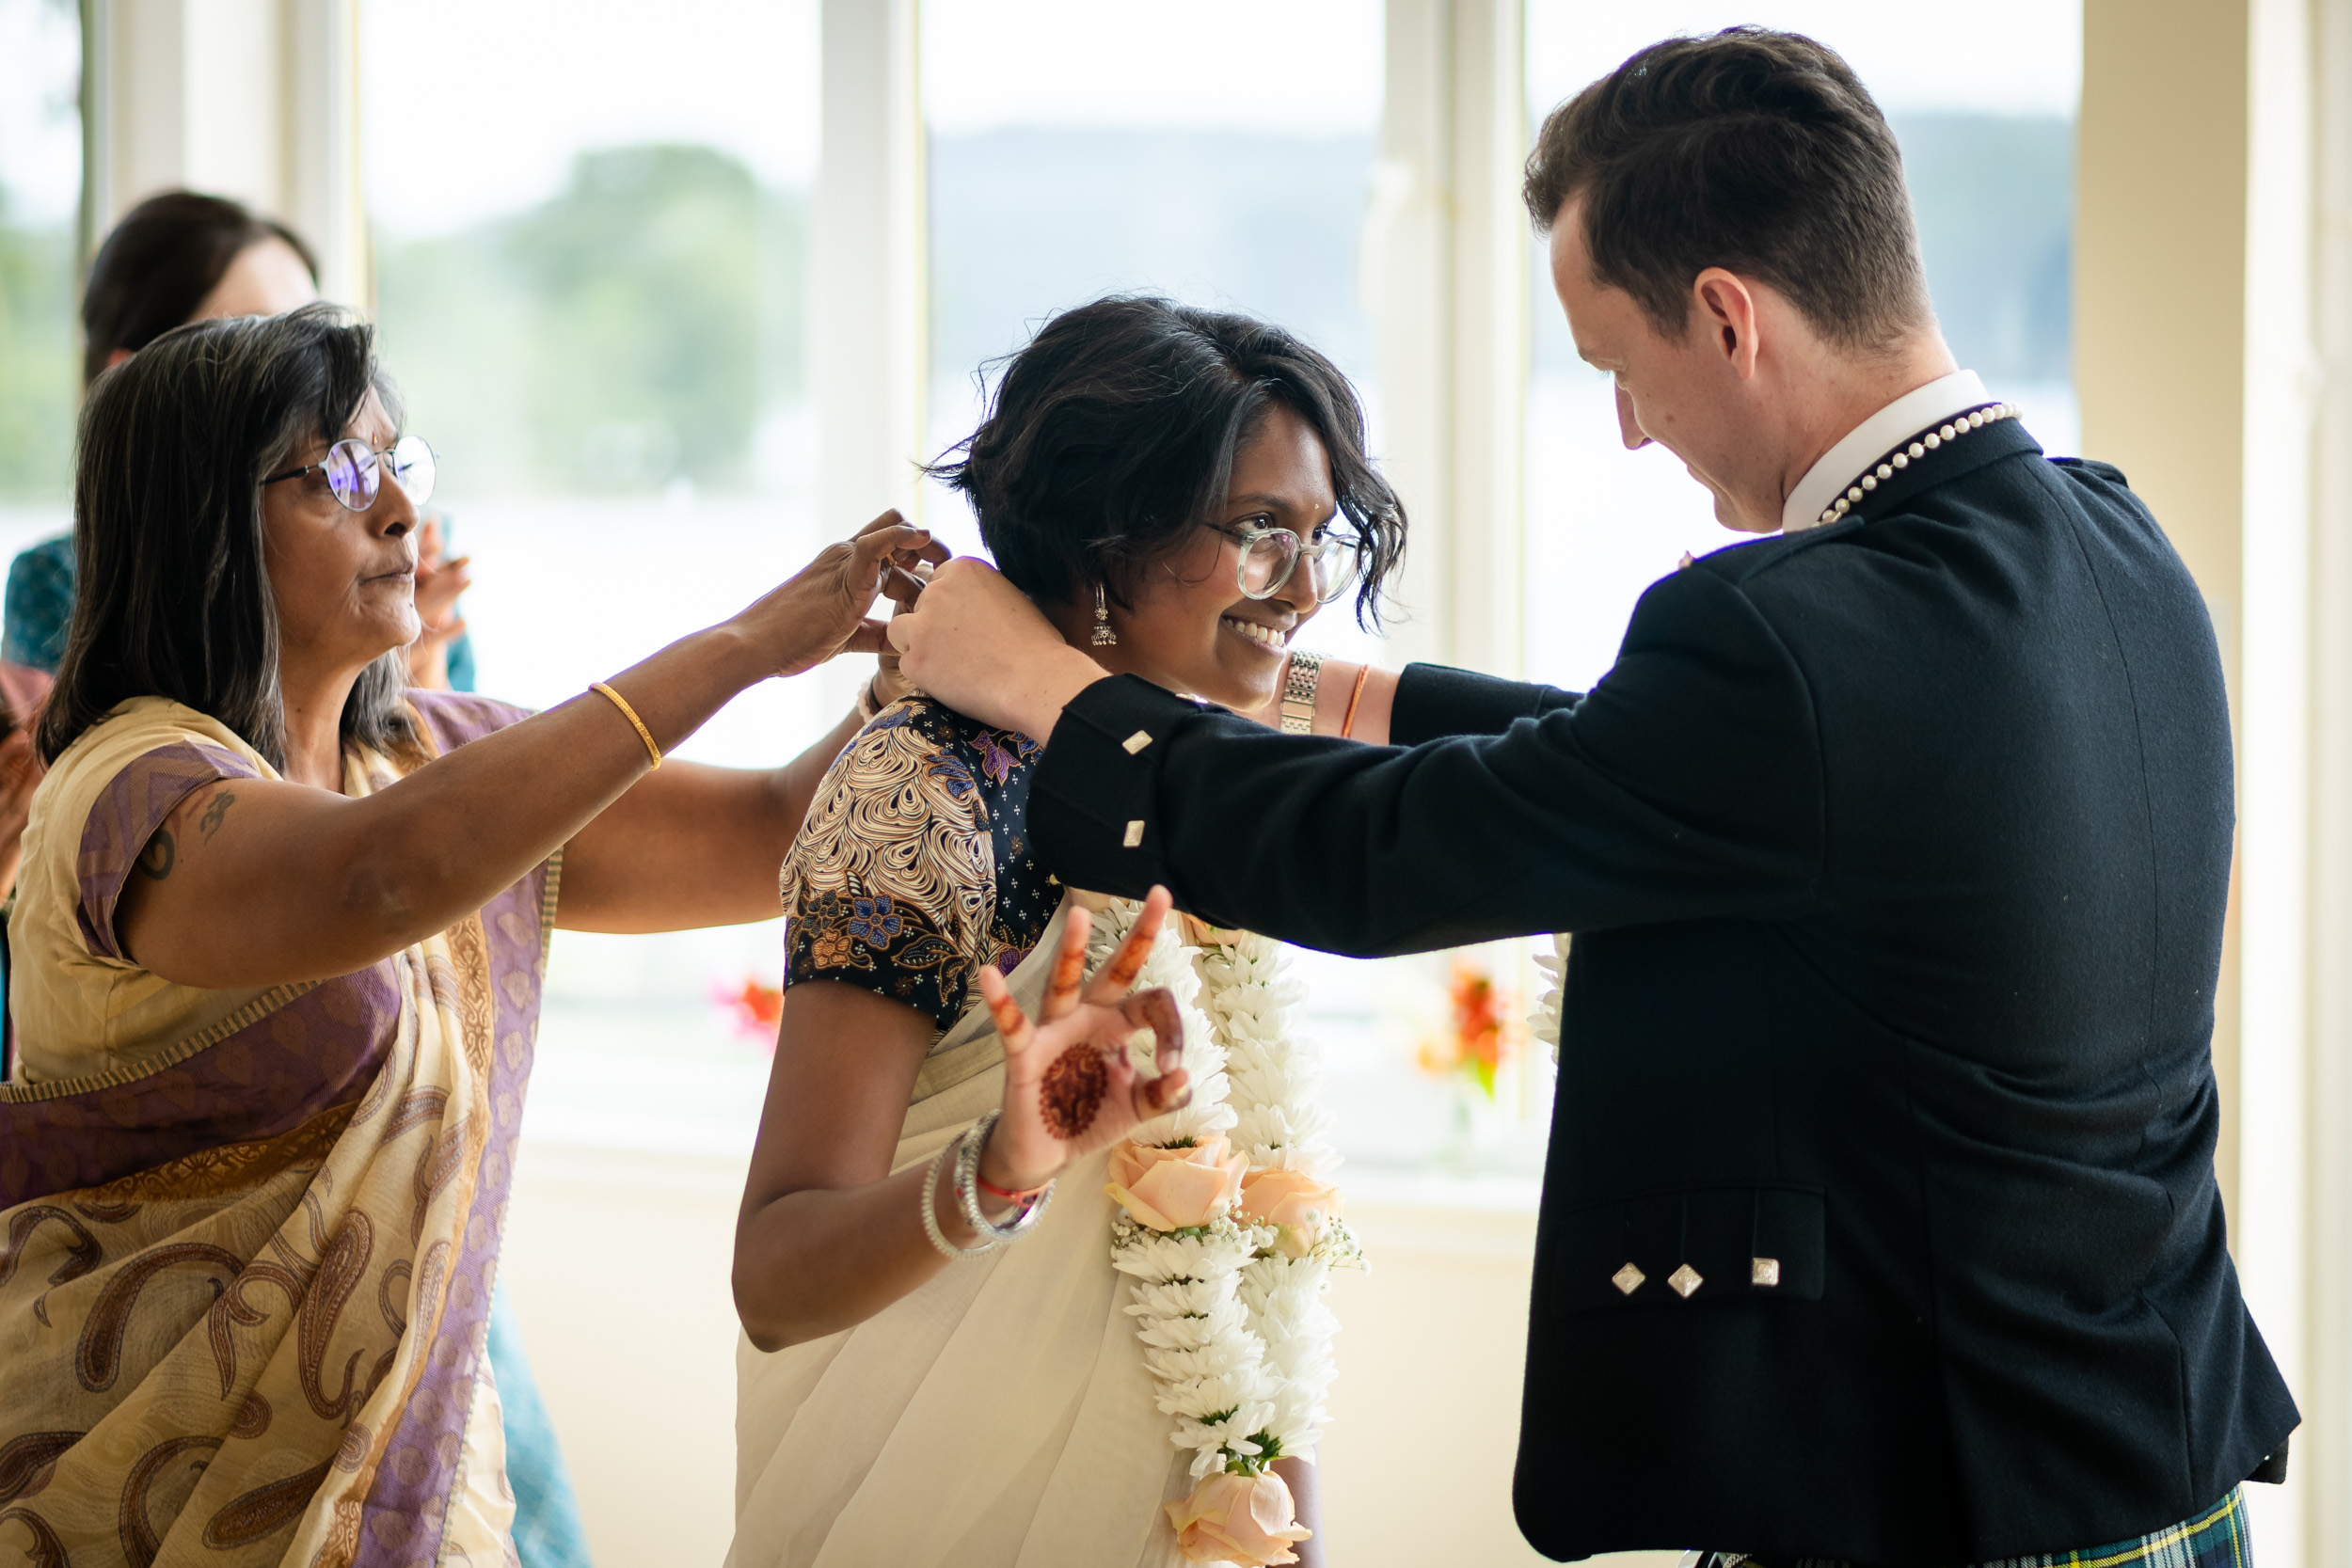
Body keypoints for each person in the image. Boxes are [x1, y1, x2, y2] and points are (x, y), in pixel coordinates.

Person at [886, 29, 2297, 1568]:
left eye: (1620, 369)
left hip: (1939, 1504)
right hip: (2156, 1469)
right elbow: (1725, 779)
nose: (1628, 425)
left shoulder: (1786, 634)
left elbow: (1386, 864)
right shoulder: (2111, 542)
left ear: (1727, 316)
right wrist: (1338, 694)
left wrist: (1042, 685)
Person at [0, 304, 942, 1565]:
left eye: (400, 460)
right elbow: (384, 880)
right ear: (201, 524)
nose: (395, 506)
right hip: (122, 1497)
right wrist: (742, 646)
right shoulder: (128, 787)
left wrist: (913, 681)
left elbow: (776, 832)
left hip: (412, 1493)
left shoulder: (429, 755)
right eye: (337, 471)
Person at [725, 297, 1402, 1568]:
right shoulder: (921, 788)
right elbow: (774, 1275)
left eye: (1320, 538)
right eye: (1263, 533)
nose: (1305, 587)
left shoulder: (1208, 778)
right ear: (1108, 541)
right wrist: (1003, 1166)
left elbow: (1257, 1259)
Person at [5, 191, 475, 692]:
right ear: (136, 383)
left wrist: (423, 674)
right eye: (258, 334)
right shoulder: (63, 583)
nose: (310, 363)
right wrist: (373, 679)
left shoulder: (401, 546)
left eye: (314, 330)